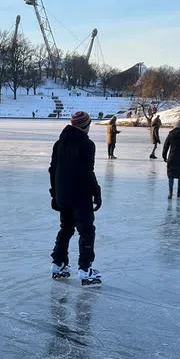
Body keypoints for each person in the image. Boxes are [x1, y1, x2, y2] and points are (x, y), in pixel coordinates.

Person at [49, 111, 102, 286]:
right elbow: (88, 172)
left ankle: (58, 264)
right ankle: (85, 269)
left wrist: (55, 194)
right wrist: (97, 192)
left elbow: (53, 170)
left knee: (66, 228)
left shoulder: (59, 143)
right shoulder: (87, 144)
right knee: (86, 231)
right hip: (80, 195)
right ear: (85, 126)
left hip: (63, 194)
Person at [162, 119, 180, 199]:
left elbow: (166, 146)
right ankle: (179, 193)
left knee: (171, 176)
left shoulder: (171, 133)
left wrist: (164, 156)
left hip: (172, 158)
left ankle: (170, 194)